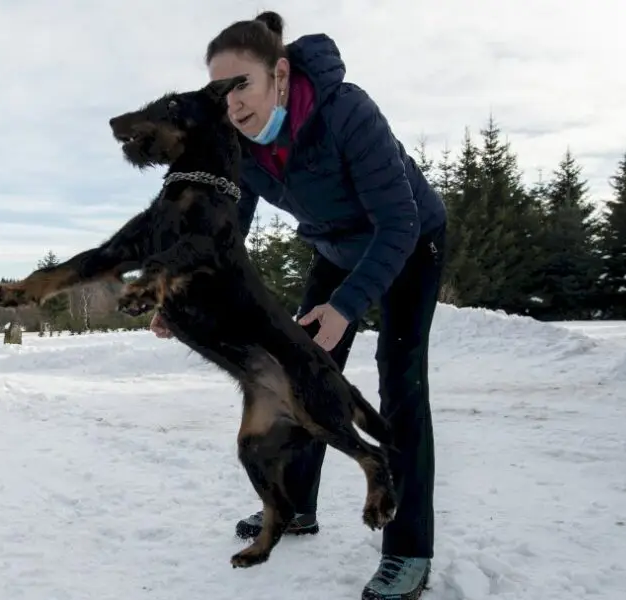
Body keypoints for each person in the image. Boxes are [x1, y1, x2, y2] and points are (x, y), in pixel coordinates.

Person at [148, 11, 447, 600]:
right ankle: (295, 508)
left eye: (242, 85)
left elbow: (399, 221)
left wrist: (346, 306)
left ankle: (409, 549)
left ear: (279, 74)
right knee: (299, 372)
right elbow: (223, 234)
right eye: (219, 90)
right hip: (336, 246)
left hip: (409, 243)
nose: (231, 104)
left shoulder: (346, 113)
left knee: (401, 386)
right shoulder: (238, 144)